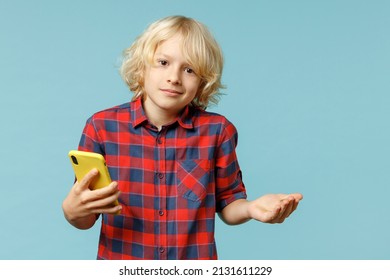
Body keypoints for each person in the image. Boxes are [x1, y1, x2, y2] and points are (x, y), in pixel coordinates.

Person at [62, 15, 303, 260]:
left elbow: (229, 205)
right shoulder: (101, 127)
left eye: (189, 69)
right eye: (163, 62)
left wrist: (252, 208)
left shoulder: (218, 132)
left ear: (203, 81)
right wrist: (72, 210)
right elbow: (86, 217)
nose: (174, 77)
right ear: (142, 66)